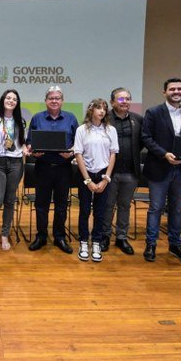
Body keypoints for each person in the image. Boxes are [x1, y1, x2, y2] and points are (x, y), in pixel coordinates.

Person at [140, 78, 181, 264]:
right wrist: (164, 154)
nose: (176, 92)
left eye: (179, 89)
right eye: (172, 89)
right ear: (164, 92)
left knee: (176, 209)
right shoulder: (153, 112)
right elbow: (146, 138)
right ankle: (151, 244)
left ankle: (175, 244)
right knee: (156, 208)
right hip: (159, 168)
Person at [26, 86, 79, 254]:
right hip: (43, 167)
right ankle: (41, 236)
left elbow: (78, 142)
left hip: (64, 168)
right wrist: (33, 150)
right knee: (41, 204)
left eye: (57, 98)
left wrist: (71, 152)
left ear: (62, 101)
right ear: (46, 101)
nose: (54, 101)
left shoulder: (71, 118)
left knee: (61, 205)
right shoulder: (37, 118)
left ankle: (59, 237)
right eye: (51, 98)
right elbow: (29, 141)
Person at [73, 98, 118, 262]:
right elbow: (78, 154)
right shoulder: (82, 130)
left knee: (100, 211)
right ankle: (84, 241)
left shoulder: (111, 130)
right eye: (98, 108)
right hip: (86, 174)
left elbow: (113, 154)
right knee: (85, 210)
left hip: (103, 174)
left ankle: (97, 242)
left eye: (104, 108)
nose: (102, 111)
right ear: (91, 110)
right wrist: (88, 180)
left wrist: (106, 179)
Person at [100, 88, 143, 255]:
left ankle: (121, 237)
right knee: (108, 205)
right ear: (112, 102)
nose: (124, 101)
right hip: (109, 172)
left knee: (125, 205)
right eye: (120, 99)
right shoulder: (104, 119)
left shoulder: (138, 120)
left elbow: (142, 142)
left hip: (130, 172)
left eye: (127, 98)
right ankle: (105, 235)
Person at [0, 89, 28, 251]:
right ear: (3, 100)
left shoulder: (20, 121)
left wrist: (25, 148)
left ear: (17, 103)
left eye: (14, 99)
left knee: (10, 201)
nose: (11, 101)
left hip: (16, 163)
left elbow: (22, 141)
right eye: (8, 98)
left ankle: (4, 234)